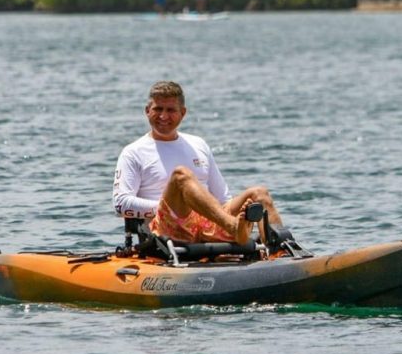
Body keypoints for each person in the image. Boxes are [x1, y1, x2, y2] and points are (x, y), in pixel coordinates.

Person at [113, 81, 284, 245]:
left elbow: (223, 200)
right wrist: (170, 208)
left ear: (183, 112)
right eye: (158, 109)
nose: (163, 116)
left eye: (171, 110)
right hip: (167, 227)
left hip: (210, 222)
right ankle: (233, 227)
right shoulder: (133, 152)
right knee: (182, 175)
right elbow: (120, 204)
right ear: (147, 111)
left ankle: (282, 250)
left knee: (259, 194)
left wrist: (209, 212)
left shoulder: (198, 144)